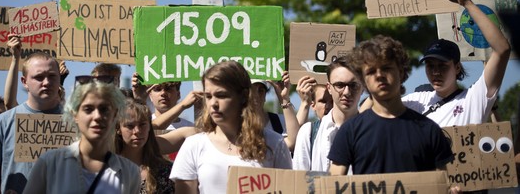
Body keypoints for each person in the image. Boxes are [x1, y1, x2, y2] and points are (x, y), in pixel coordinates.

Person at [328, 35, 454, 176]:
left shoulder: (430, 131)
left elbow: (441, 184)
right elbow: (334, 184)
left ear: (400, 72)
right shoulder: (350, 131)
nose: (379, 75)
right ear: (363, 80)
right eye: (371, 71)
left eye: (386, 68)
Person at [401, 0, 511, 126]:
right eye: (430, 66)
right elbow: (374, 111)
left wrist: (467, 3)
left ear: (457, 67)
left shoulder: (474, 99)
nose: (435, 72)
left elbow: (503, 49)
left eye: (442, 66)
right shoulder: (416, 101)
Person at [170, 60, 292, 194]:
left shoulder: (274, 143)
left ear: (244, 96)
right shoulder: (194, 145)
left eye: (221, 95)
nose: (213, 104)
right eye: (208, 96)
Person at [24, 76, 141, 194]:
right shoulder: (50, 164)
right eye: (88, 109)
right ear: (75, 114)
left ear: (115, 114)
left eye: (104, 109)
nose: (97, 116)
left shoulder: (130, 173)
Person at [0, 52, 62, 194]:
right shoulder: (2, 123)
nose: (47, 82)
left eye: (52, 76)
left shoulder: (77, 124)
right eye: (39, 77)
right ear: (24, 82)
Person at [293, 58, 361, 171]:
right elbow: (300, 182)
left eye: (353, 85)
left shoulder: (373, 131)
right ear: (329, 88)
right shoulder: (308, 133)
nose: (347, 92)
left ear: (362, 87)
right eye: (340, 85)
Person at [116, 98, 175, 194]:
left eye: (142, 124)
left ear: (149, 128)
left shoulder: (165, 171)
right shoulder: (106, 168)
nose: (137, 131)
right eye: (130, 126)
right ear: (118, 129)